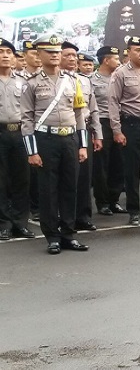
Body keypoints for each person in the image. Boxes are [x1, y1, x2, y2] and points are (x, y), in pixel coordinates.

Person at [20, 33, 90, 254]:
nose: (54, 56)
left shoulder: (72, 80)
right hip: (46, 139)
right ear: (39, 54)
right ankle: (52, 236)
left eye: (57, 52)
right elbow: (26, 119)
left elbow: (80, 114)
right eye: (49, 52)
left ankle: (68, 233)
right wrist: (32, 151)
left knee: (71, 186)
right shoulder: (31, 84)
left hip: (69, 138)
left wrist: (83, 145)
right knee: (48, 189)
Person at [108, 35, 140, 226]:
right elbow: (113, 102)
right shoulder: (120, 73)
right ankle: (135, 210)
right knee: (133, 169)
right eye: (138, 50)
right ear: (128, 52)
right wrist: (116, 130)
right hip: (131, 125)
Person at [61, 42, 102, 232]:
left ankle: (83, 216)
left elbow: (93, 110)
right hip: (64, 132)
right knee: (67, 176)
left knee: (85, 176)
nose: (71, 59)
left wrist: (98, 135)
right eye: (67, 55)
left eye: (74, 56)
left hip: (84, 130)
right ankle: (65, 217)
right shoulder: (55, 80)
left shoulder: (84, 81)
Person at [0, 38, 34, 240]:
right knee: (1, 181)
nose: (4, 55)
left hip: (20, 133)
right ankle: (3, 223)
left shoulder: (23, 82)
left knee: (23, 179)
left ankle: (20, 223)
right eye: (1, 51)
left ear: (14, 58)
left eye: (8, 52)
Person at [91, 46, 127, 217]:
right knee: (102, 165)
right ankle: (103, 202)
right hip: (102, 122)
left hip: (118, 122)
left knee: (119, 163)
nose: (119, 62)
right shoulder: (91, 80)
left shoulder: (119, 77)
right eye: (116, 59)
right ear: (106, 60)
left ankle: (114, 200)